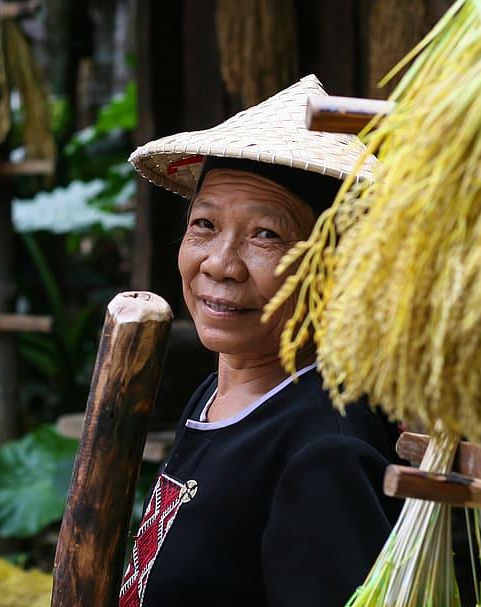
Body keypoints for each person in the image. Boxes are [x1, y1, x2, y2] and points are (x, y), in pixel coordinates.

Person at [120, 75, 401, 607]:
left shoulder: (326, 452)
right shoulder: (218, 394)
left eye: (265, 235)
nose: (220, 264)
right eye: (204, 225)